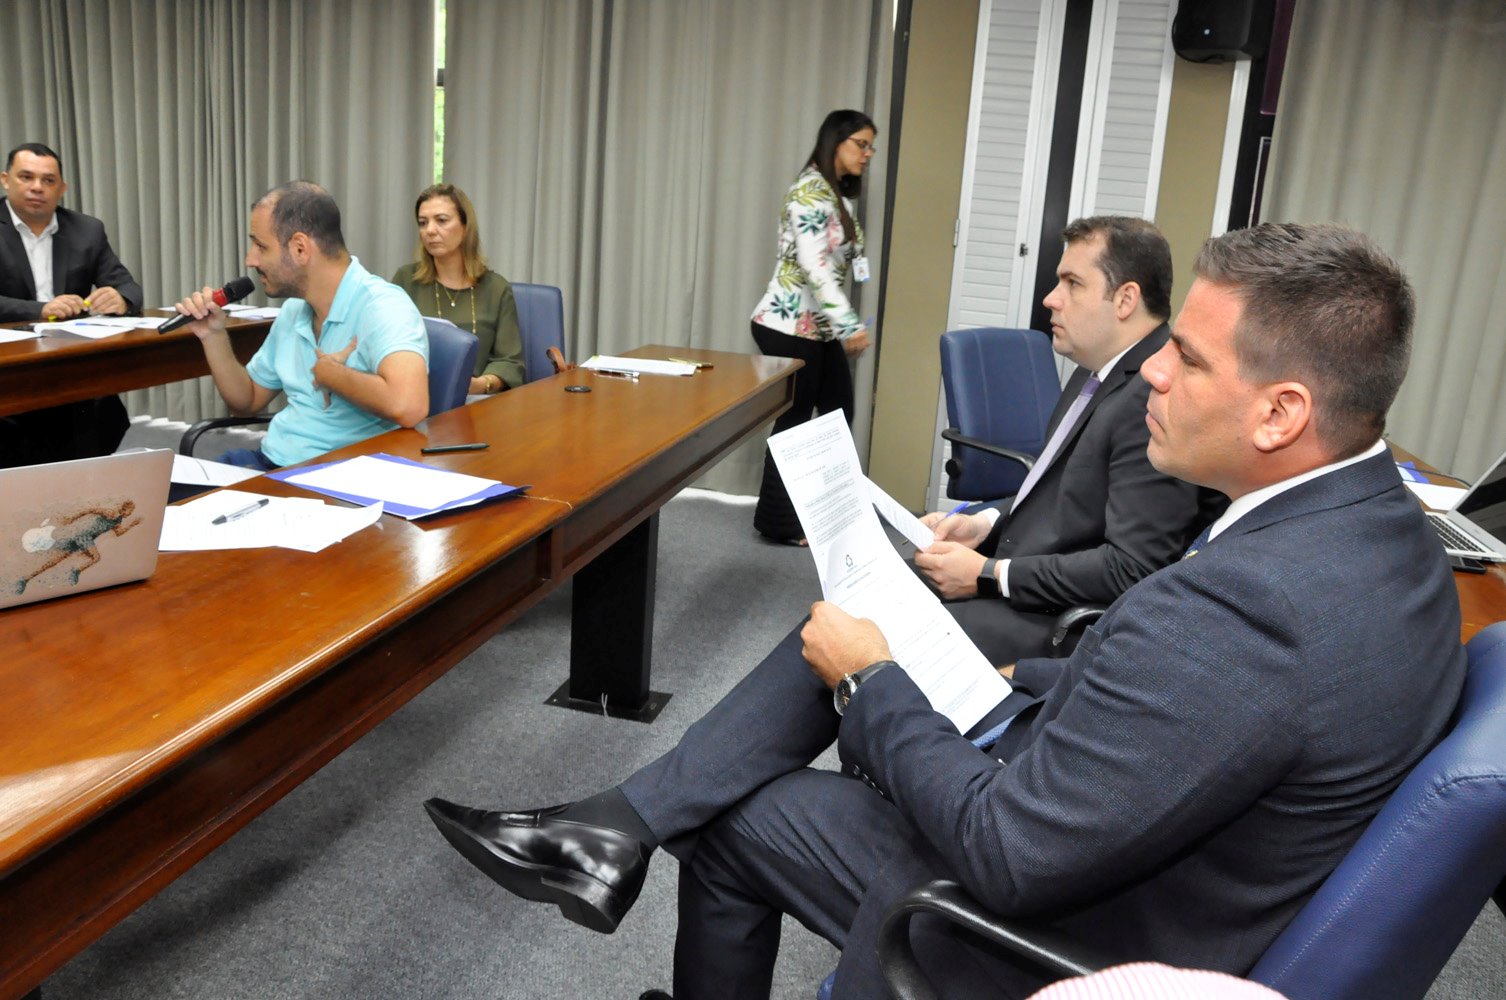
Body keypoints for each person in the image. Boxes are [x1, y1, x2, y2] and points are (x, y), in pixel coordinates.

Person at [424, 222, 1467, 1000]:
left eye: (1187, 356)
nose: (1152, 367)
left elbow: (1009, 850)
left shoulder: (1249, 611)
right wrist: (1026, 674)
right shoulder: (1389, 538)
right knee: (851, 650)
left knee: (745, 809)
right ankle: (612, 828)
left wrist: (874, 681)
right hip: (1123, 810)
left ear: (1282, 412)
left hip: (1061, 931)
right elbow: (1196, 711)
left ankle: (617, 830)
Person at [913, 215, 1220, 663]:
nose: (1050, 299)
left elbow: (1132, 568)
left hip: (1061, 619)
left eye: (1072, 283)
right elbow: (1063, 494)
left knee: (882, 633)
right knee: (869, 592)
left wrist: (990, 574)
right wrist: (983, 524)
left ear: (1125, 299)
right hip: (1028, 575)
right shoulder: (1093, 372)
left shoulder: (1153, 398)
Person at [171, 181, 429, 470]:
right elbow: (247, 401)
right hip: (273, 462)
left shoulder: (383, 306)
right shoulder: (294, 310)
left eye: (260, 245)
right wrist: (213, 335)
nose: (250, 260)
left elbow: (410, 406)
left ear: (300, 248)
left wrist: (333, 375)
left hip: (334, 475)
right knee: (163, 491)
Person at [748, 109, 877, 545]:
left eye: (871, 147)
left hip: (816, 328)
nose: (867, 154)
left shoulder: (836, 195)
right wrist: (849, 325)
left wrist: (840, 323)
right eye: (861, 144)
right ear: (835, 141)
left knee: (838, 411)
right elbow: (814, 267)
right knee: (796, 420)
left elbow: (845, 262)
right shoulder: (808, 191)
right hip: (786, 323)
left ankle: (824, 513)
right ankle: (779, 522)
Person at [0, 142, 144, 467]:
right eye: (26, 177)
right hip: (9, 366)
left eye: (48, 180)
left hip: (67, 364)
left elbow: (129, 287)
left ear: (62, 188)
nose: (38, 187)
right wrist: (40, 309)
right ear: (5, 180)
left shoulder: (86, 230)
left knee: (101, 415)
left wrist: (120, 298)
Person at [391, 182, 524, 394]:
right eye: (423, 223)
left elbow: (510, 362)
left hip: (475, 400)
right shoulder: (406, 280)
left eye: (441, 220)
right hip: (417, 397)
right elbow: (385, 345)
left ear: (465, 226)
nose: (430, 230)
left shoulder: (496, 288)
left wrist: (480, 385)